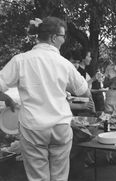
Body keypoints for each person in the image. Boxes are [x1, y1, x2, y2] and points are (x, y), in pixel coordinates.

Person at [0, 16, 94, 181]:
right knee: (59, 176)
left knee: (38, 177)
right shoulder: (64, 64)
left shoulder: (20, 60)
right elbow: (84, 91)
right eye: (63, 36)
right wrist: (91, 104)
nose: (64, 40)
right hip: (60, 127)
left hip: (33, 126)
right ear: (53, 37)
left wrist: (7, 98)